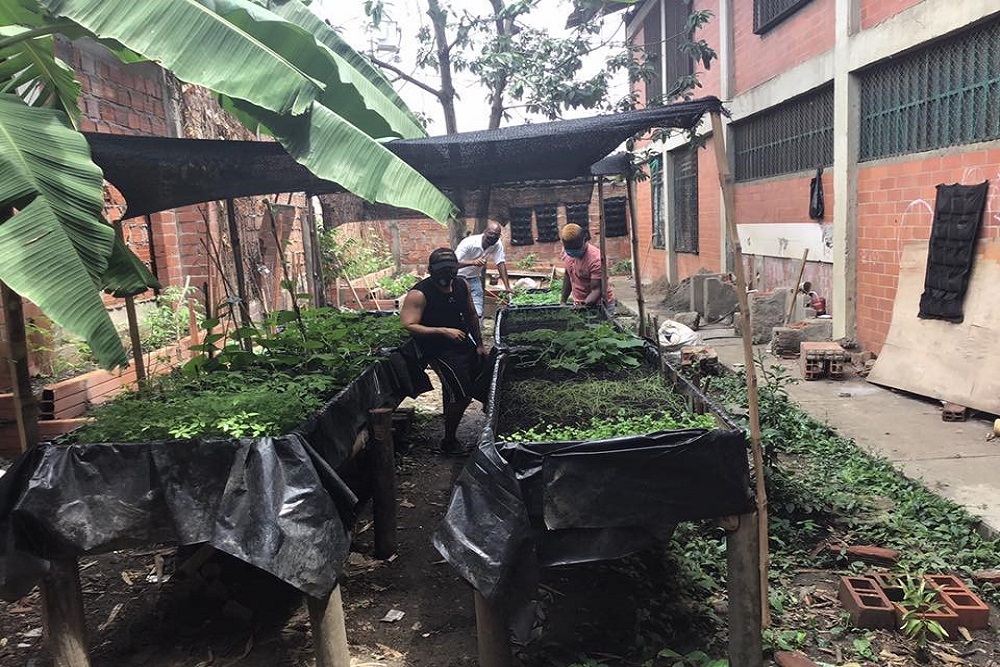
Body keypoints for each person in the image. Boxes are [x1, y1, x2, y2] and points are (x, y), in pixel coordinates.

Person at [400, 248, 488, 456]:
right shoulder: (419, 294)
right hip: (437, 349)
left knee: (480, 382)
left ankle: (486, 428)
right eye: (442, 270)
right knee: (462, 395)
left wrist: (479, 344)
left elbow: (471, 314)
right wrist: (443, 331)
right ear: (431, 270)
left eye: (451, 269)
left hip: (462, 343)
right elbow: (409, 324)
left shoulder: (461, 285)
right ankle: (448, 441)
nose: (447, 275)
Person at [454, 221, 512, 318]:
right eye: (490, 235)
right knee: (459, 309)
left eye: (496, 236)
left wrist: (507, 287)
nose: (492, 238)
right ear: (485, 232)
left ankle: (475, 326)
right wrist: (472, 262)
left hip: (474, 278)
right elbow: (453, 264)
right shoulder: (469, 243)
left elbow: (500, 263)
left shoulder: (497, 244)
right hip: (458, 277)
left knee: (477, 312)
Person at [559, 223, 616, 313]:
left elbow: (596, 290)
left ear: (585, 240)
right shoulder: (566, 252)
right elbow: (567, 275)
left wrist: (583, 306)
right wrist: (563, 302)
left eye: (575, 248)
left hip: (599, 305)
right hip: (579, 303)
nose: (571, 252)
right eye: (568, 249)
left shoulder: (596, 260)